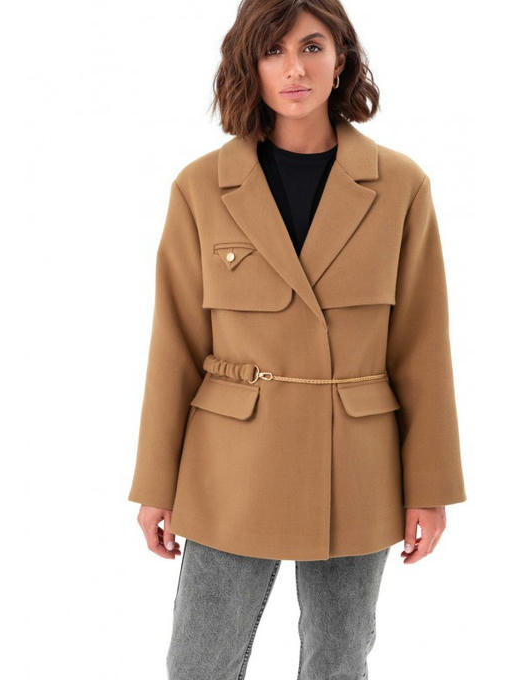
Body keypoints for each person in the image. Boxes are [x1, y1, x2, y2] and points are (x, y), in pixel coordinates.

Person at [128, 1, 467, 678]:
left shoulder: (401, 186)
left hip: (358, 465)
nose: (294, 69)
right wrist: (155, 484)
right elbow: (174, 346)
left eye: (312, 47)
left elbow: (422, 346)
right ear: (248, 65)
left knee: (339, 660)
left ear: (341, 61)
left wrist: (428, 486)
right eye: (273, 50)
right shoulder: (201, 187)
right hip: (231, 465)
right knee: (198, 662)